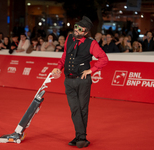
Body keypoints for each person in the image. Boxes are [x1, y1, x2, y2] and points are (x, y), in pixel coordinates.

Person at [52, 16, 108, 148]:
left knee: (82, 109)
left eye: (79, 29)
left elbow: (104, 59)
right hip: (68, 81)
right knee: (74, 109)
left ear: (86, 31)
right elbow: (65, 55)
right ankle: (81, 137)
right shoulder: (69, 38)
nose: (76, 30)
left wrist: (91, 70)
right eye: (76, 27)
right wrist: (58, 67)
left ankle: (80, 137)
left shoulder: (91, 43)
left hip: (83, 81)